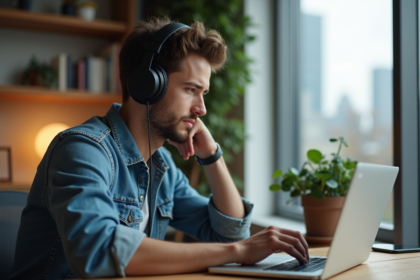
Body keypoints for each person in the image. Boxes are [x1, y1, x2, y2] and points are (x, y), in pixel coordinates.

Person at [8, 17, 308, 279]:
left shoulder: (160, 165)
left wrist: (211, 154)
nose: (201, 108)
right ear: (147, 84)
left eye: (202, 93)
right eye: (191, 90)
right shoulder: (82, 151)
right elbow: (96, 251)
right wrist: (238, 251)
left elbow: (229, 231)